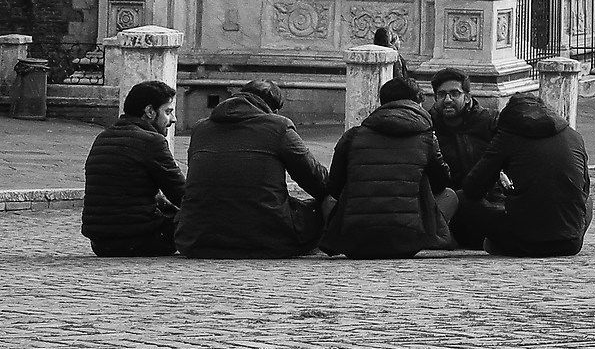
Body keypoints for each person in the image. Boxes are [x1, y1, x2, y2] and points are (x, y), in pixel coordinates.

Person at [175, 81, 328, 259]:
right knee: (324, 206)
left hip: (198, 239)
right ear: (273, 108)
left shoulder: (201, 128)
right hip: (268, 238)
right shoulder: (279, 126)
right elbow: (315, 179)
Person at [321, 77, 451, 260]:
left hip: (356, 239)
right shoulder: (427, 139)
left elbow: (333, 187)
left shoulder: (352, 137)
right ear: (417, 103)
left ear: (382, 104)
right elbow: (441, 184)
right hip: (409, 239)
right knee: (449, 195)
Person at [455, 91, 592, 258]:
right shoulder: (574, 136)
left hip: (524, 242)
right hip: (570, 243)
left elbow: (472, 188)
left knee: (462, 199)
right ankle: (564, 235)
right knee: (588, 202)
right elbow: (585, 189)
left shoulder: (508, 136)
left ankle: (497, 242)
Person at [81, 80, 184, 257]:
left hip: (100, 242)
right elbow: (181, 194)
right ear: (150, 111)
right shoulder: (152, 141)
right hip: (139, 238)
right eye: (168, 112)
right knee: (196, 220)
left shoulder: (103, 137)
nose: (173, 119)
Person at [427, 68, 503, 248]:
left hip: (485, 200)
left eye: (454, 94)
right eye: (442, 94)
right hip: (447, 203)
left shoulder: (490, 122)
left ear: (467, 97)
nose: (447, 100)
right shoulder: (427, 125)